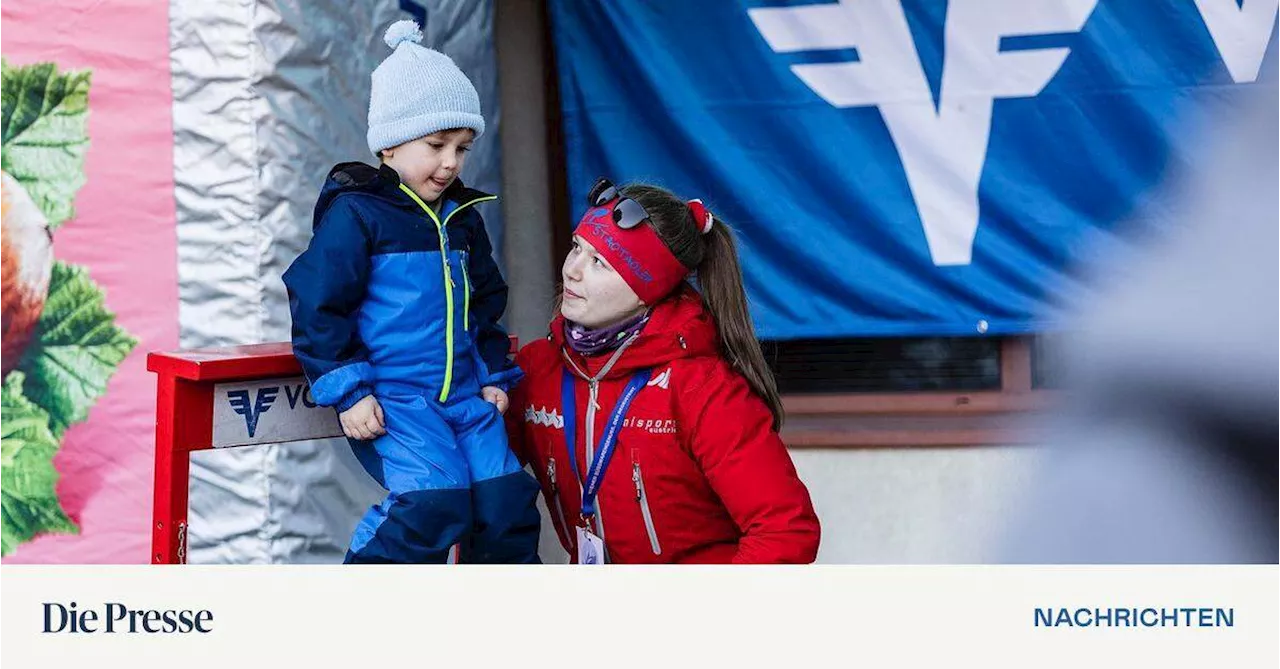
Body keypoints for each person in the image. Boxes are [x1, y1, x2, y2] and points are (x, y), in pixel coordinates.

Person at [283, 20, 540, 564]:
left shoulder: (462, 218)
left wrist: (493, 372)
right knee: (433, 503)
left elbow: (485, 303)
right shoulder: (358, 214)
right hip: (396, 401)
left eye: (463, 148)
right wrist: (348, 391)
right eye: (436, 145)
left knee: (506, 502)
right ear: (391, 145)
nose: (451, 163)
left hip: (466, 398)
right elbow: (317, 301)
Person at [508, 178, 821, 563]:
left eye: (599, 263)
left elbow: (785, 531)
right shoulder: (539, 368)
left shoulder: (702, 387)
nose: (572, 270)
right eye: (577, 247)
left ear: (647, 290)